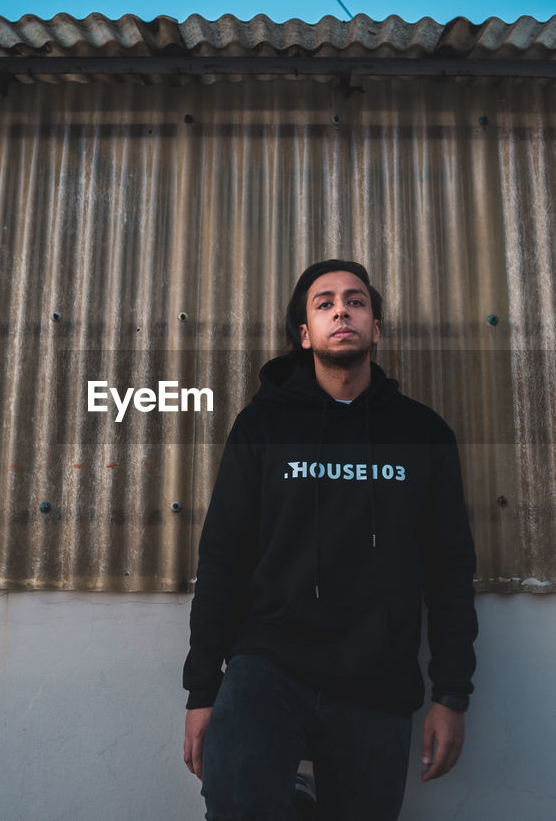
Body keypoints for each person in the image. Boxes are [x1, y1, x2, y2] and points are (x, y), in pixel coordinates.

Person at [182, 260, 479, 821]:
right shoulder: (262, 426)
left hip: (378, 674)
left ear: (376, 328)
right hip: (270, 662)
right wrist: (202, 691)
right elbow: (222, 556)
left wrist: (450, 694)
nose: (342, 310)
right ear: (305, 333)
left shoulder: (422, 434)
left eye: (356, 300)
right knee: (235, 801)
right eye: (324, 303)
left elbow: (448, 569)